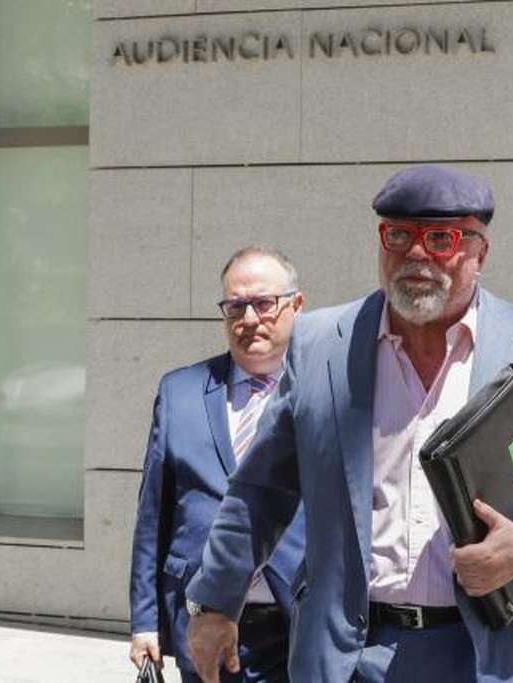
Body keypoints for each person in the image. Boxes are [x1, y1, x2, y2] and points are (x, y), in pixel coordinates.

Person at [185, 165, 513, 682]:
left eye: (441, 238)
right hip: (350, 659)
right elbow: (261, 489)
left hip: (489, 658)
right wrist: (215, 601)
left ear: (481, 252)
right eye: (398, 235)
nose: (416, 254)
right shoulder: (321, 345)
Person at [129, 247, 308, 682]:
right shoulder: (180, 392)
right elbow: (154, 514)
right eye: (235, 307)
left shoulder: (323, 392)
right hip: (199, 620)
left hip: (296, 621)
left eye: (264, 303)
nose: (249, 319)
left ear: (297, 306)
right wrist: (145, 621)